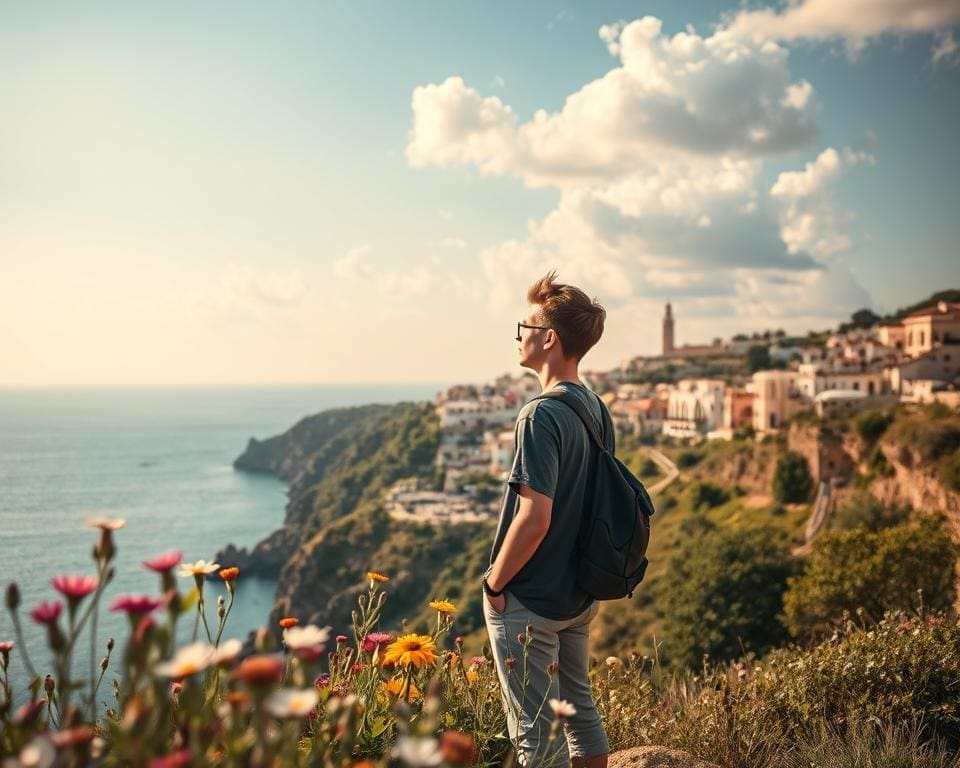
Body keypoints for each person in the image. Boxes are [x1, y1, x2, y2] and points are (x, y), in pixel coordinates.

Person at [483, 270, 611, 768]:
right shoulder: (595, 408)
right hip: (577, 594)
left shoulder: (539, 414)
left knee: (536, 736)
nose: (518, 336)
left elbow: (535, 516)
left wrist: (495, 581)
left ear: (548, 338)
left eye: (525, 326)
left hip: (532, 599)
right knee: (580, 713)